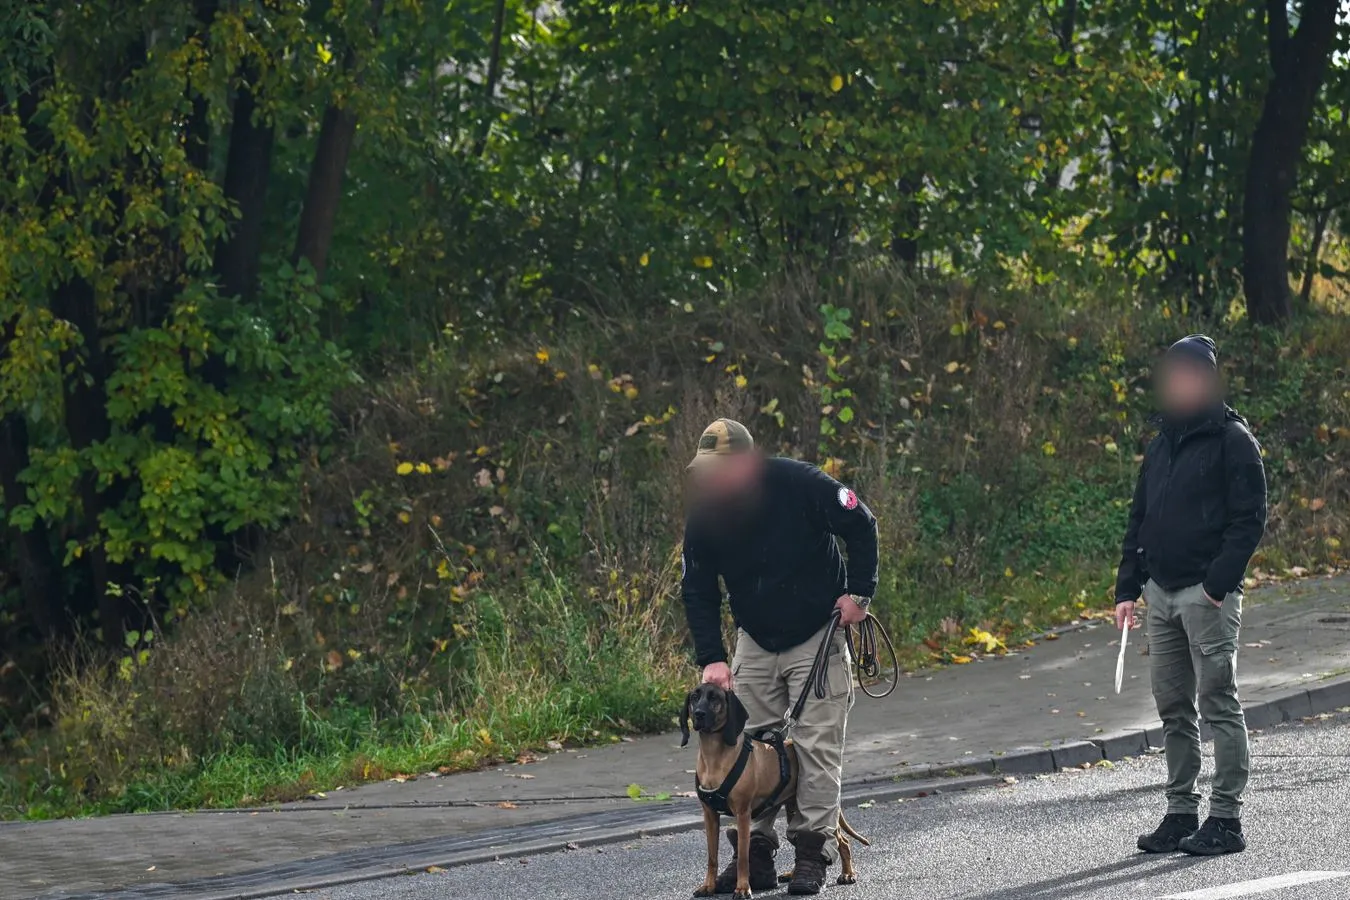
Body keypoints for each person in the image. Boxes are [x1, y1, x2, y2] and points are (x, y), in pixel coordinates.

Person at [681, 418, 878, 895]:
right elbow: (697, 589)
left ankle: (812, 852)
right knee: (746, 743)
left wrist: (859, 594)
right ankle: (758, 856)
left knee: (816, 746)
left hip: (818, 630)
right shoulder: (706, 516)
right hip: (756, 635)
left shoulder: (801, 484)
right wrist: (712, 657)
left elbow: (862, 523)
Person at [1114, 334, 1267, 857]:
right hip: (1160, 593)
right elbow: (1141, 518)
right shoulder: (1162, 442)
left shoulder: (1233, 439)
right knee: (1173, 708)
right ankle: (1182, 812)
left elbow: (1250, 521)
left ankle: (1226, 819)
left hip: (1207, 597)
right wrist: (1128, 588)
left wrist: (1217, 586)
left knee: (1217, 702)